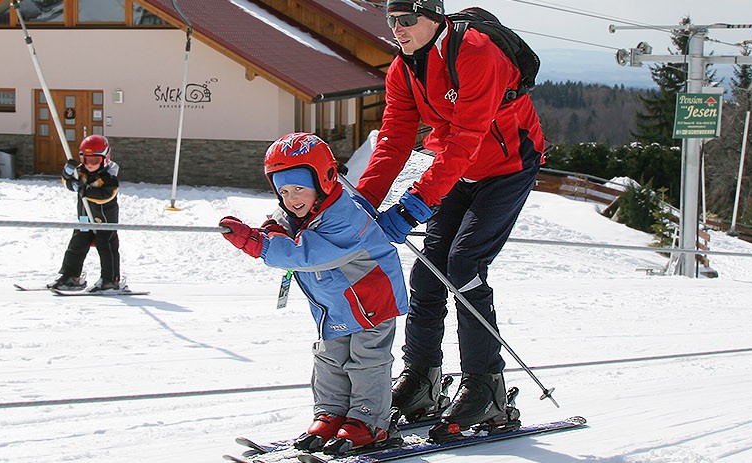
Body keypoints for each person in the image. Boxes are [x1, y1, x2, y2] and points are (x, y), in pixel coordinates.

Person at [355, 0, 547, 438]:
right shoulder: (403, 69)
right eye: (392, 21)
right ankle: (422, 380)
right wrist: (364, 201)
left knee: (463, 267)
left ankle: (486, 386)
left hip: (509, 164)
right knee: (427, 272)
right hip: (457, 168)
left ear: (435, 17)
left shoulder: (477, 53)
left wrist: (414, 205)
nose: (398, 29)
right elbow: (394, 139)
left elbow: (466, 139)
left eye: (407, 20)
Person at [217, 133, 410, 454]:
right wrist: (269, 231)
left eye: (299, 189)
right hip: (334, 303)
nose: (292, 199)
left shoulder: (345, 219)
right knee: (329, 358)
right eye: (284, 191)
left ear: (324, 180)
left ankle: (369, 421)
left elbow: (304, 255)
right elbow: (282, 228)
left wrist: (256, 242)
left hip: (370, 301)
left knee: (367, 361)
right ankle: (332, 413)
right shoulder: (297, 210)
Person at [46, 134, 125, 292]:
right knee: (76, 245)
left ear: (105, 158)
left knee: (106, 246)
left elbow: (105, 196)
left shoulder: (109, 177)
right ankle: (71, 276)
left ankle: (110, 280)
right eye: (86, 160)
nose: (89, 164)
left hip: (104, 220)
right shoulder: (81, 171)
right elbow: (68, 183)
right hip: (84, 218)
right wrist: (67, 175)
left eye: (94, 161)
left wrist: (84, 189)